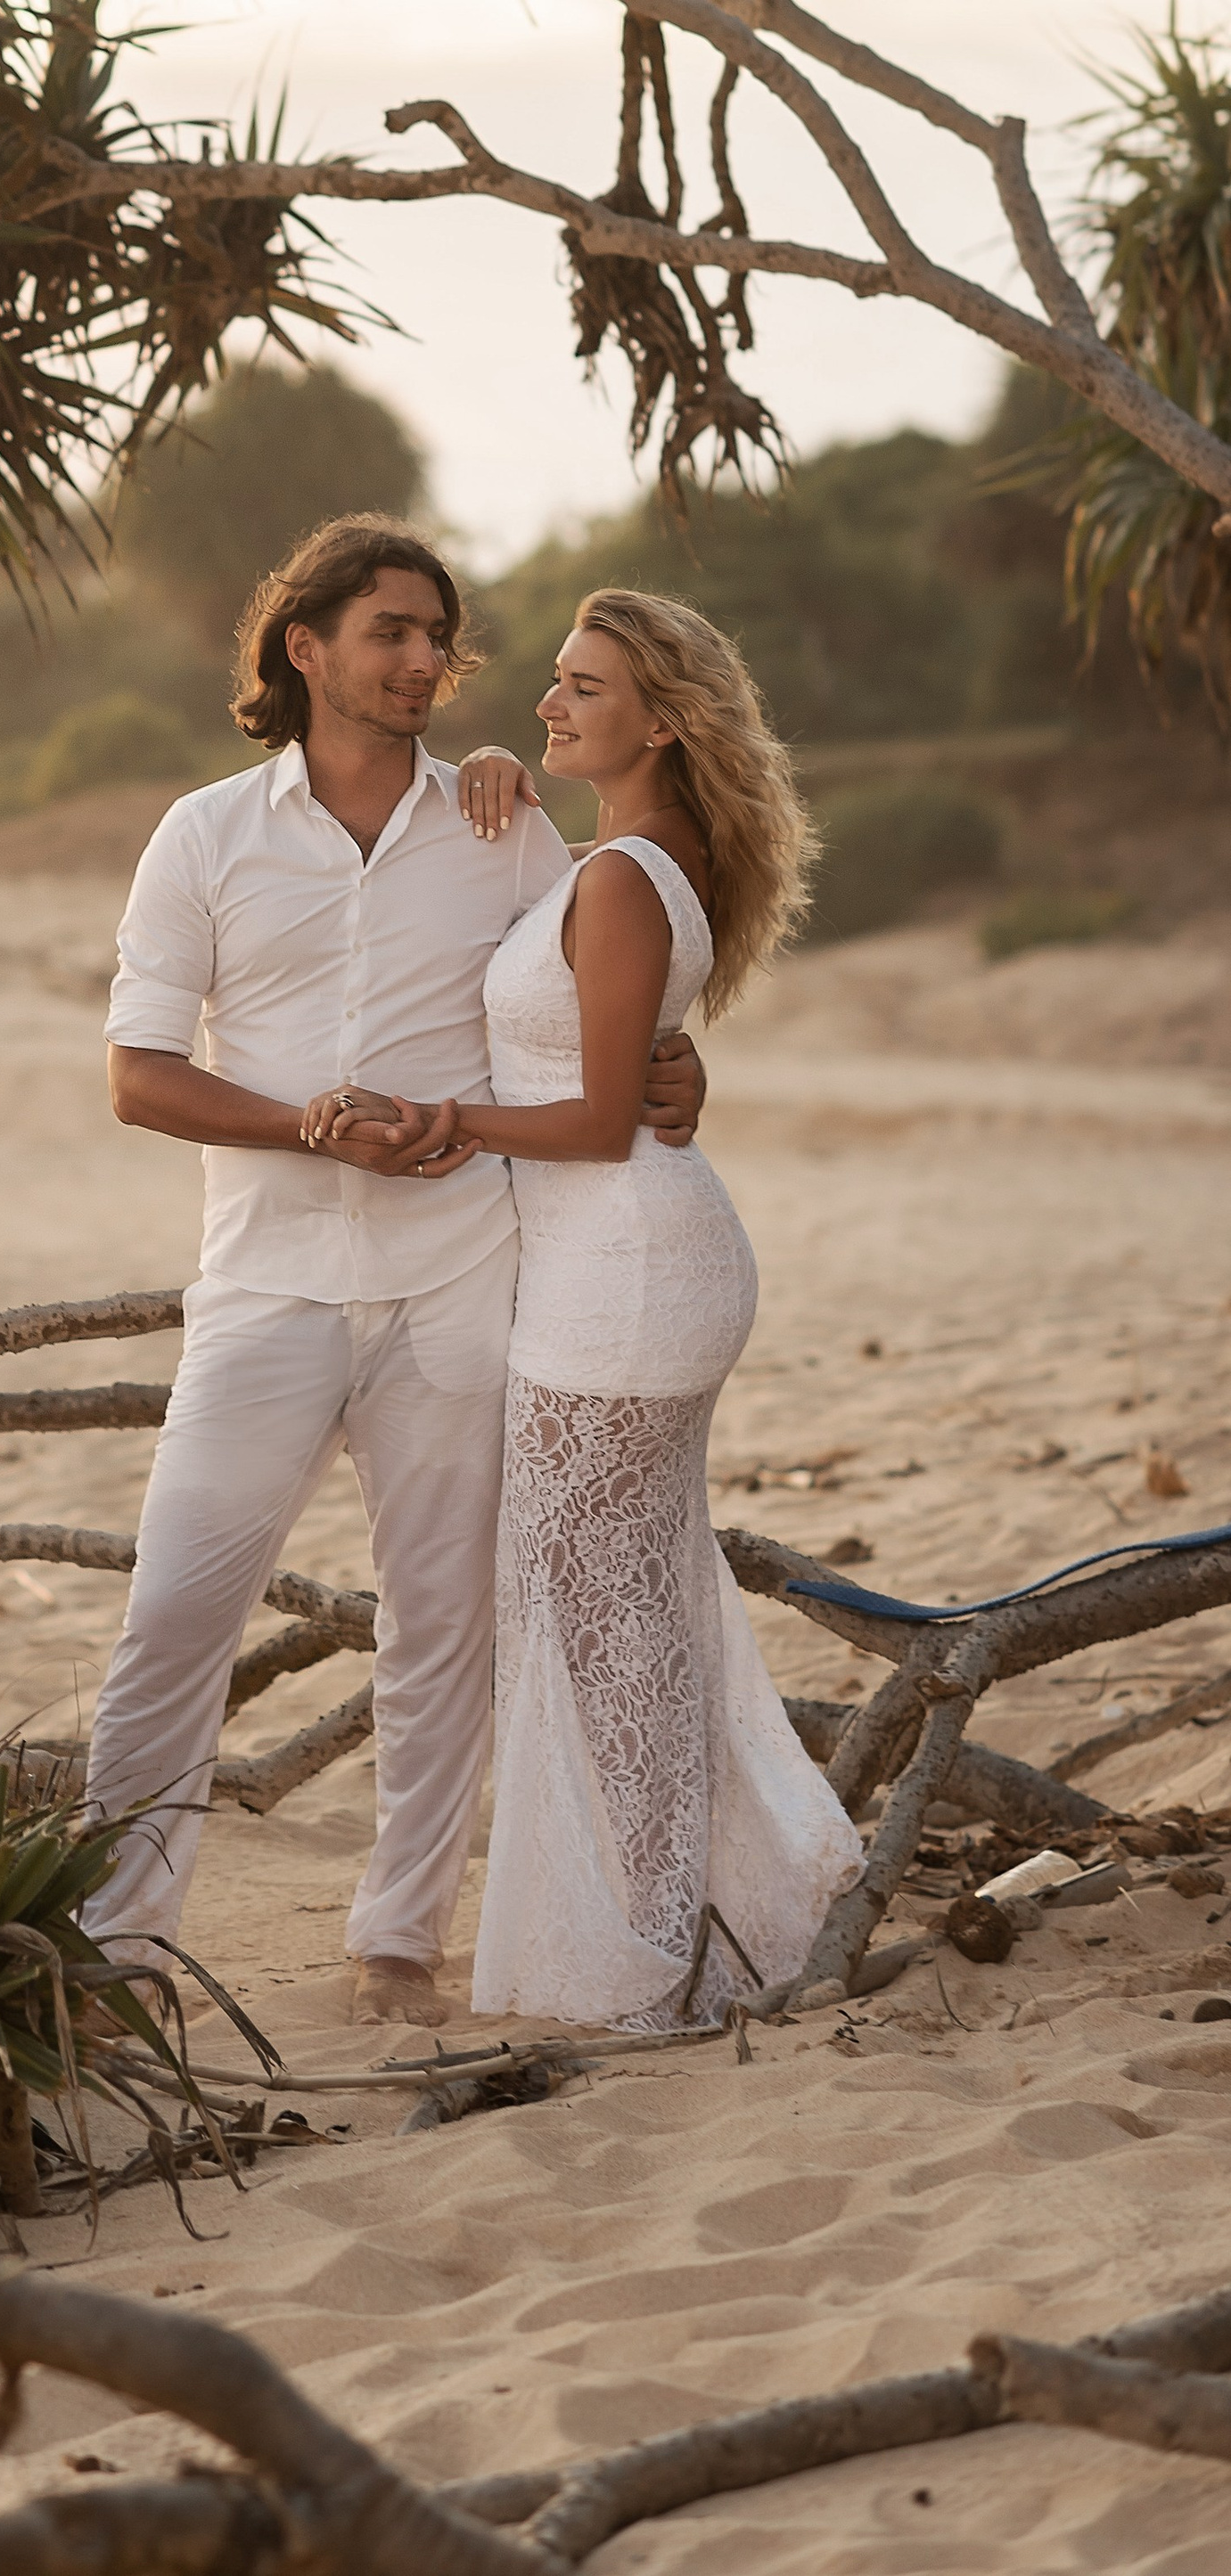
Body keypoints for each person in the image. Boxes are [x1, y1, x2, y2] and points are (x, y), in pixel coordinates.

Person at [90, 521, 707, 2025]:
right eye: (391, 632)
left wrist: (678, 1071)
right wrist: (309, 1125)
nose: (427, 661)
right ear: (304, 649)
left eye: (440, 635)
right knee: (176, 1614)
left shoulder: (506, 829)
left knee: (440, 1628)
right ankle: (111, 1953)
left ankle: (397, 1945)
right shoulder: (205, 834)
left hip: (459, 1276)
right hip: (268, 1285)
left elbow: (593, 1016)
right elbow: (140, 1078)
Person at [312, 589, 860, 2028]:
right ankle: (700, 1924)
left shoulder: (624, 879)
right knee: (634, 1609)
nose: (547, 704)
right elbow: (629, 1078)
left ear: (662, 721)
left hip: (619, 1277)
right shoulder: (623, 861)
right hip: (626, 1268)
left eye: (582, 688)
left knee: (606, 1624)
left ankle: (653, 1953)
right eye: (555, 682)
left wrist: (442, 1115)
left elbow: (608, 1117)